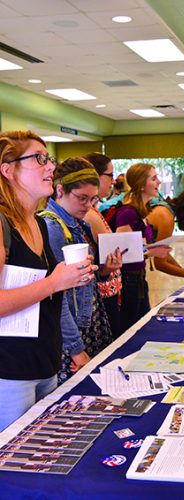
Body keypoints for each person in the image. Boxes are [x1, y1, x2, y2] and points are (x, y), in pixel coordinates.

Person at [0, 131, 96, 431]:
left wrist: (71, 279)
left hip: (45, 361)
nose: (50, 167)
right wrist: (55, 282)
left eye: (49, 159)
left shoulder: (39, 222)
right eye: (39, 159)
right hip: (10, 369)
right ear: (8, 169)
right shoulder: (2, 223)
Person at [41, 157, 121, 383]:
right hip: (73, 329)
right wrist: (75, 346)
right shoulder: (53, 227)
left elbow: (81, 281)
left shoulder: (78, 223)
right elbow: (58, 296)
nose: (88, 205)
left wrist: (104, 270)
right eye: (82, 198)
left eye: (93, 199)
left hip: (88, 319)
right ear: (59, 190)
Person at [114, 163, 171, 333]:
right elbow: (122, 252)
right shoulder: (127, 213)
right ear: (140, 184)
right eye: (153, 178)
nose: (159, 182)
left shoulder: (141, 211)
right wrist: (153, 251)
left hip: (138, 278)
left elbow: (140, 246)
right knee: (132, 329)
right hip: (128, 281)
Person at [82, 152, 122, 339]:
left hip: (106, 288)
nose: (113, 181)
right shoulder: (90, 214)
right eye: (110, 175)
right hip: (102, 294)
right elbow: (113, 249)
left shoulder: (94, 210)